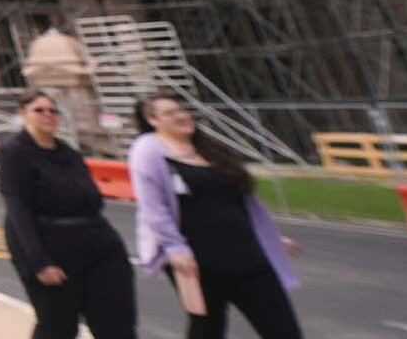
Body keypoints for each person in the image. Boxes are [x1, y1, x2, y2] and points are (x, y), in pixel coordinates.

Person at [129, 92, 303, 339]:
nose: (181, 116)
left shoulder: (211, 150)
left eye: (181, 110)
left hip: (247, 253)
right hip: (197, 261)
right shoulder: (148, 152)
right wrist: (174, 247)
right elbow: (153, 208)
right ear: (152, 120)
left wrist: (272, 238)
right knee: (208, 328)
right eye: (170, 113)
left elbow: (242, 201)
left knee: (282, 328)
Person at [0, 89, 137, 339]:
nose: (48, 115)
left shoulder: (69, 152)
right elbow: (18, 206)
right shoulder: (14, 152)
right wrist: (39, 261)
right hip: (52, 248)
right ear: (23, 114)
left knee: (117, 325)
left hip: (99, 245)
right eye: (39, 110)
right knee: (59, 327)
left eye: (53, 111)